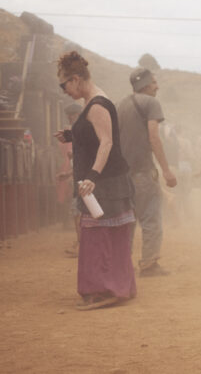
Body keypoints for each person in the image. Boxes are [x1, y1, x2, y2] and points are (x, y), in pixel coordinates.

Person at [55, 51, 136, 310]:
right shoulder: (91, 102)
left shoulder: (98, 104)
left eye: (64, 84)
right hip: (104, 183)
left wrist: (92, 176)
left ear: (76, 79)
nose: (64, 90)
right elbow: (95, 135)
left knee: (102, 237)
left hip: (106, 184)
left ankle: (108, 289)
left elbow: (107, 142)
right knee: (100, 236)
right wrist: (71, 135)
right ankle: (112, 287)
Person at [117, 68, 178, 277]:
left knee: (127, 221)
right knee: (151, 219)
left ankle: (122, 265)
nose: (157, 86)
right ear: (144, 84)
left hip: (123, 175)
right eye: (153, 82)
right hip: (143, 172)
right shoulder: (151, 103)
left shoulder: (121, 105)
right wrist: (167, 171)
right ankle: (149, 265)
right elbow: (154, 138)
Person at [58, 103, 83, 257]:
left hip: (85, 182)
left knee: (79, 213)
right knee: (77, 213)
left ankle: (82, 244)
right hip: (79, 180)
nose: (70, 118)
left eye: (72, 115)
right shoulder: (77, 133)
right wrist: (67, 174)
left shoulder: (83, 132)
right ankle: (81, 243)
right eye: (69, 116)